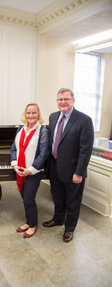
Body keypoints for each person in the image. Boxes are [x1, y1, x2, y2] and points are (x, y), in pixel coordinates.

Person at [43, 88, 94, 242]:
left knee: (72, 201)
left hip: (73, 169)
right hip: (54, 166)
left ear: (73, 100)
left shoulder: (84, 120)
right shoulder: (53, 117)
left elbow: (85, 150)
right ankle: (58, 219)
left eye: (66, 99)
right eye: (60, 99)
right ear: (57, 101)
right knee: (57, 196)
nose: (63, 102)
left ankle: (69, 228)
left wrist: (79, 172)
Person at [11, 103, 49, 238]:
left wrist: (30, 170)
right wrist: (15, 165)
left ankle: (33, 225)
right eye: (28, 113)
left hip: (33, 172)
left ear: (38, 114)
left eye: (34, 113)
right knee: (24, 199)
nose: (31, 115)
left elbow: (43, 154)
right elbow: (14, 149)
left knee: (28, 199)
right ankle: (28, 222)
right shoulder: (20, 129)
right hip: (19, 170)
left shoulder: (42, 131)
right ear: (25, 114)